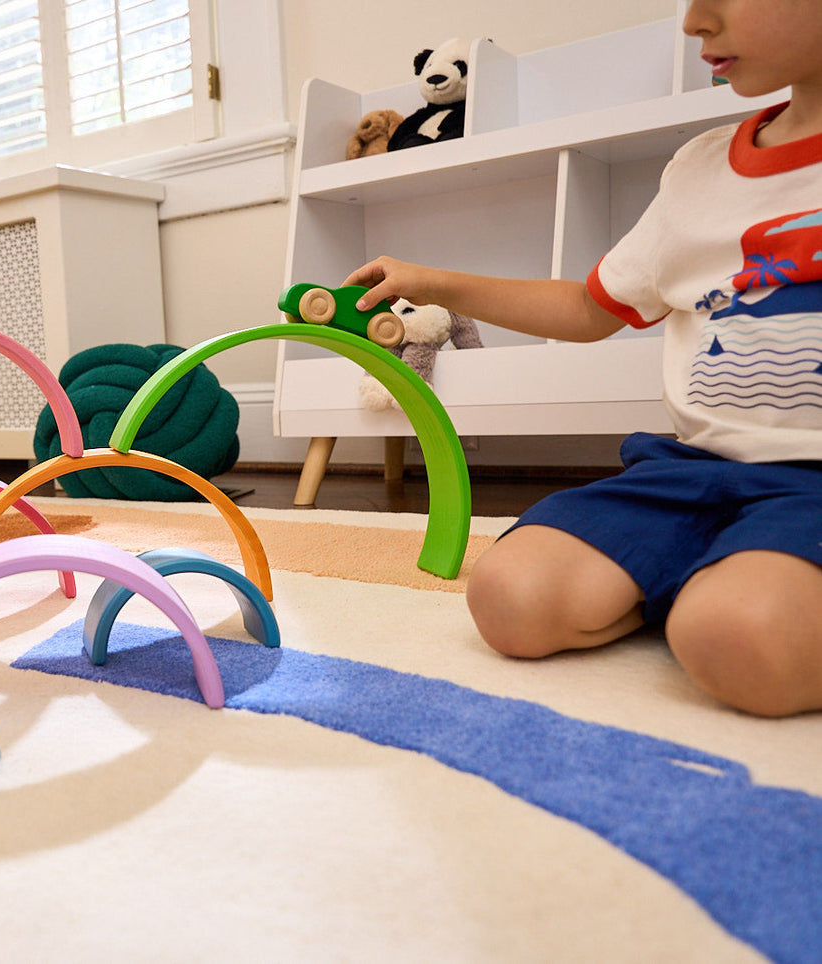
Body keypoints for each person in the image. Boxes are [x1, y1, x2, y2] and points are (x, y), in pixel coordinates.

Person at [342, 0, 822, 717]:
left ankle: (728, 593)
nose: (694, 22)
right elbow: (590, 309)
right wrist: (431, 281)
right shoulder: (698, 169)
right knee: (510, 598)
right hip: (693, 471)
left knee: (738, 640)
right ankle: (711, 578)